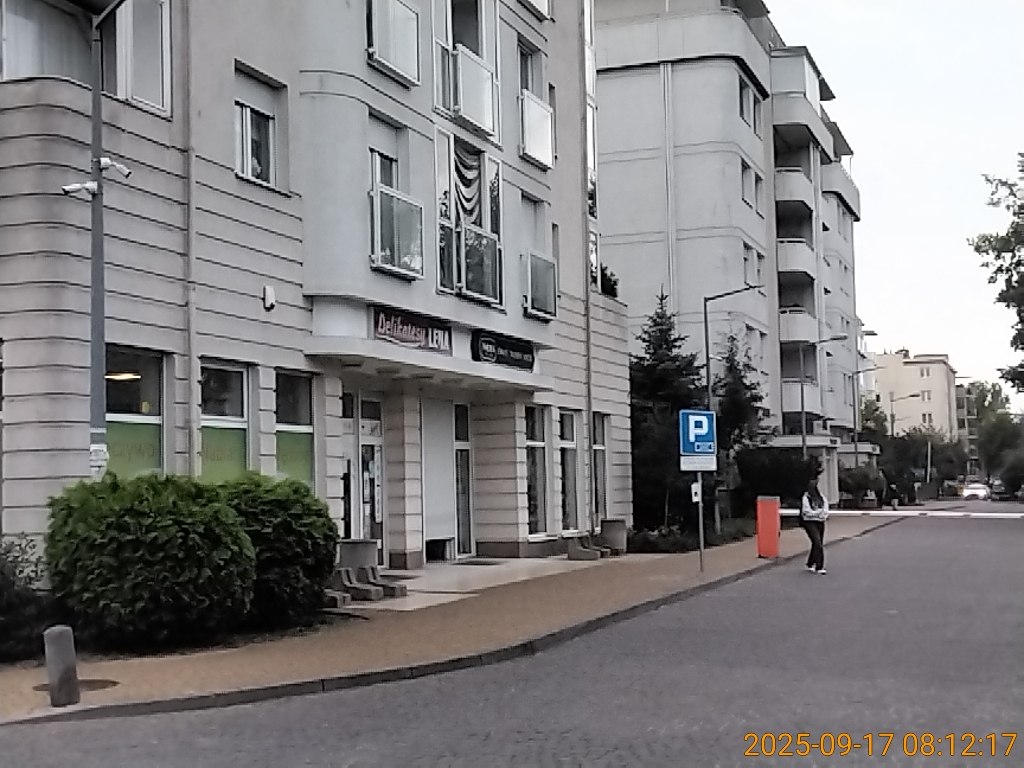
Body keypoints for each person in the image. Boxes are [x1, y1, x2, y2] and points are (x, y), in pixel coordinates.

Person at [800, 479, 829, 574]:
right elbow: (806, 511)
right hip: (809, 522)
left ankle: (810, 563)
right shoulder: (806, 498)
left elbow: (825, 508)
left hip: (820, 521)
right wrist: (817, 513)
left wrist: (823, 515)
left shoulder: (821, 497)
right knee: (817, 542)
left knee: (817, 543)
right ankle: (820, 566)